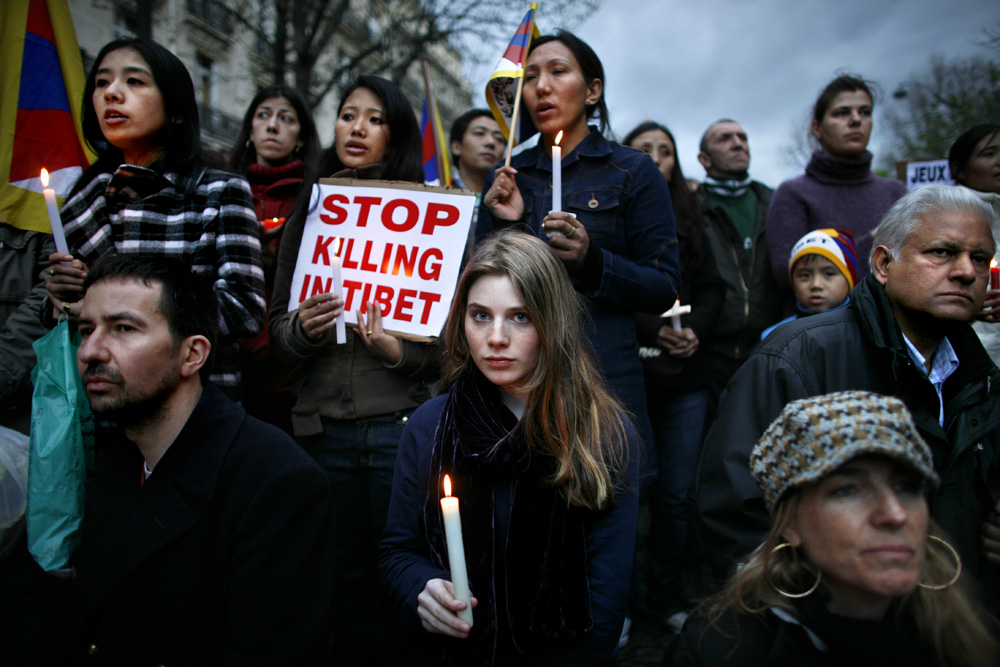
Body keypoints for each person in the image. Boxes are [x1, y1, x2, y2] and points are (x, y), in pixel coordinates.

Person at [691, 185, 1000, 616]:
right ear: (883, 264)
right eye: (942, 253)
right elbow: (736, 514)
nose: (967, 271)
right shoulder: (795, 358)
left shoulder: (985, 378)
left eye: (980, 258)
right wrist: (819, 619)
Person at [56, 254, 334, 664]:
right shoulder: (117, 463)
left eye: (123, 328)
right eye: (85, 330)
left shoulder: (276, 483)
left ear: (192, 355)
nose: (90, 351)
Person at [380, 230, 637, 665]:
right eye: (480, 316)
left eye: (520, 317)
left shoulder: (602, 433)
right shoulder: (430, 425)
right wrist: (420, 587)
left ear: (552, 323)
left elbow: (605, 601)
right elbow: (398, 551)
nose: (496, 338)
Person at [269, 74, 432, 665]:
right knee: (335, 575)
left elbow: (445, 348)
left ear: (397, 135)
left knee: (400, 575)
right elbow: (277, 333)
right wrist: (301, 331)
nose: (356, 128)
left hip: (397, 427)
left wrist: (398, 353)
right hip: (320, 430)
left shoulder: (431, 216)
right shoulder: (307, 213)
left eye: (374, 118)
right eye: (346, 115)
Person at [476, 30, 681, 486]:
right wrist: (504, 225)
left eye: (557, 71)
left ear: (593, 90)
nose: (541, 87)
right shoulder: (508, 176)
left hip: (604, 380)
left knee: (610, 516)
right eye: (529, 78)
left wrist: (592, 262)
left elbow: (663, 285)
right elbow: (478, 286)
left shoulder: (632, 170)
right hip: (521, 388)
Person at [670, 391, 998, 667]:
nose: (895, 514)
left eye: (906, 487)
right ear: (791, 523)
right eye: (847, 490)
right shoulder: (723, 650)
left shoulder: (970, 636)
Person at [42, 37, 264, 398]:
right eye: (101, 82)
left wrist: (126, 310)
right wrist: (60, 299)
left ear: (175, 109)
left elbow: (246, 308)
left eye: (134, 81)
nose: (112, 93)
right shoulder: (78, 204)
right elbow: (62, 318)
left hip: (192, 405)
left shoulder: (219, 190)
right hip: (99, 411)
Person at [624, 121, 725, 632]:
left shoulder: (693, 218)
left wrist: (694, 333)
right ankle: (616, 602)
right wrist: (653, 327)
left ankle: (663, 598)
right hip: (629, 375)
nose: (656, 159)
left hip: (685, 379)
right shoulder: (612, 215)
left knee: (676, 495)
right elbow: (601, 286)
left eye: (666, 151)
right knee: (622, 493)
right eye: (644, 150)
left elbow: (712, 289)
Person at [228, 84, 320, 432]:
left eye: (286, 118)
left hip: (294, 370)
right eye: (263, 115)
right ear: (250, 129)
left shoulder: (318, 198)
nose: (272, 126)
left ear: (300, 137)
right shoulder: (221, 188)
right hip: (232, 361)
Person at [766, 75, 906, 290]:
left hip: (890, 321)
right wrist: (872, 243)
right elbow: (786, 273)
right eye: (842, 113)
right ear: (817, 128)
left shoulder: (896, 193)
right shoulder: (793, 193)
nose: (856, 120)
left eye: (865, 112)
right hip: (819, 322)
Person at [694, 118, 783, 412]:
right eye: (725, 138)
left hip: (769, 349)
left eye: (742, 137)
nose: (738, 143)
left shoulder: (775, 203)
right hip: (706, 356)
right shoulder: (692, 207)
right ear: (704, 159)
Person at [949, 124, 1000, 365]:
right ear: (959, 169)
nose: (999, 161)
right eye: (989, 154)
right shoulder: (942, 218)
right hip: (964, 355)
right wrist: (961, 305)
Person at [760, 228, 858, 340]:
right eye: (805, 275)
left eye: (829, 274)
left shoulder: (864, 334)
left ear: (850, 280)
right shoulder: (772, 338)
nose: (816, 284)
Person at [449, 108, 505, 194]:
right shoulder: (433, 192)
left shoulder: (513, 202)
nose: (491, 142)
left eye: (499, 138)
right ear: (457, 147)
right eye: (479, 133)